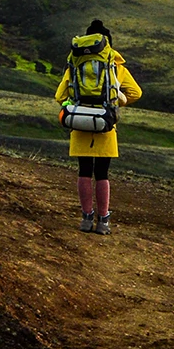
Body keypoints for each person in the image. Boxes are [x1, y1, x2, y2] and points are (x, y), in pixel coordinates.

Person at [53, 18, 141, 235]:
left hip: (80, 121)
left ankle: (85, 218)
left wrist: (71, 104)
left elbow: (59, 96)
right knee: (102, 173)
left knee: (84, 170)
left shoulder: (74, 62)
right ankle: (103, 221)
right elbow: (136, 93)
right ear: (107, 43)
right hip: (105, 122)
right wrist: (118, 99)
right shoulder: (114, 65)